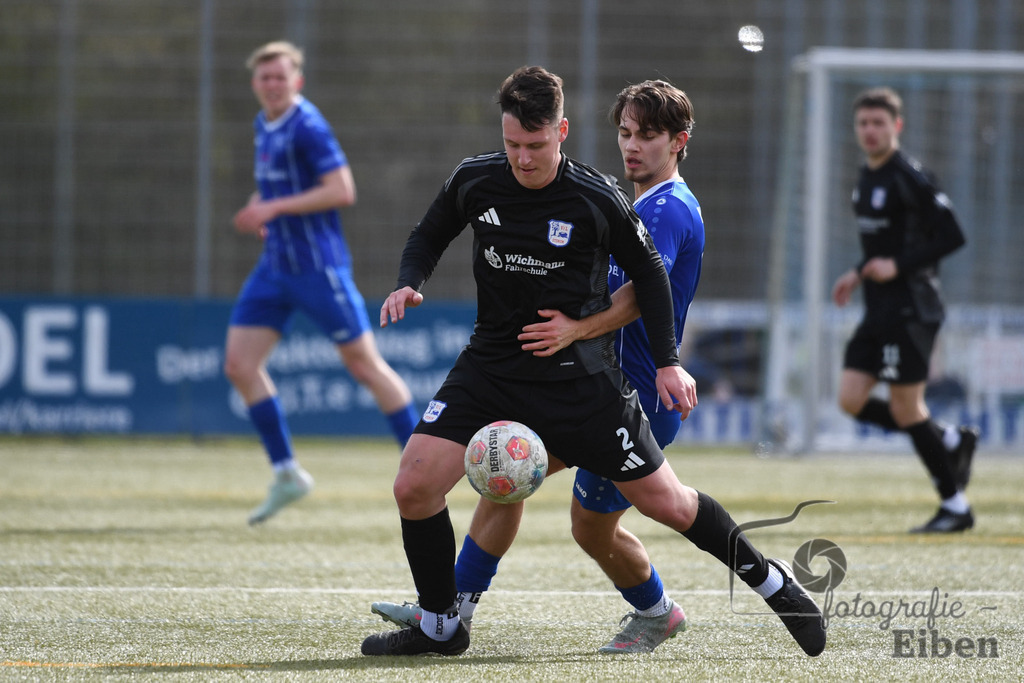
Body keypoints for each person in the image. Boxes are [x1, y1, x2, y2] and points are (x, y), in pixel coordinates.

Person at [360, 66, 825, 658]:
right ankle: (441, 622)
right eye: (512, 145)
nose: (523, 159)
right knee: (418, 483)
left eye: (535, 145)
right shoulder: (476, 179)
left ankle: (771, 585)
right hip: (492, 368)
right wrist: (408, 282)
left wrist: (663, 361)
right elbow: (428, 233)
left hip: (582, 383)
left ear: (562, 131)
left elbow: (651, 278)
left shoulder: (600, 197)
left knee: (665, 505)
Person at [225, 41, 419, 525]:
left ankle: (420, 460)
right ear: (255, 84)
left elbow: (341, 189)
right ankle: (287, 472)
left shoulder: (308, 126)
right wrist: (261, 204)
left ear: (297, 81)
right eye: (264, 77)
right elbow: (278, 187)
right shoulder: (262, 125)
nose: (271, 84)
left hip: (317, 268)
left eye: (280, 77)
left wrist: (272, 208)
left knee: (364, 365)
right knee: (239, 364)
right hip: (274, 267)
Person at [831, 86, 978, 534]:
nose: (870, 131)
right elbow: (886, 243)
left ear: (897, 126)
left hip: (913, 309)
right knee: (851, 399)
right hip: (879, 310)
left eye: (879, 123)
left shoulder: (909, 176)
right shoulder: (866, 177)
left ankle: (955, 505)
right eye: (863, 124)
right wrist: (858, 271)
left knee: (906, 409)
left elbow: (952, 236)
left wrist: (896, 266)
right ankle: (950, 438)